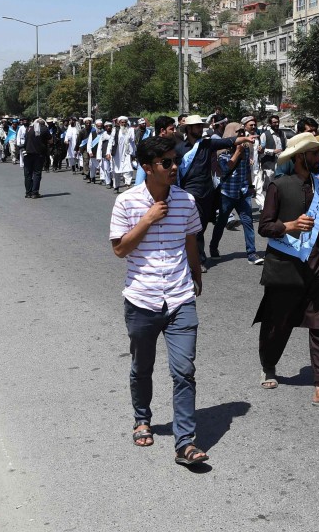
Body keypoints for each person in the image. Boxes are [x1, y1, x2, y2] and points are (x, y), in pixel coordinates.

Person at [110, 136, 208, 467]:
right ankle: (142, 419)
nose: (174, 167)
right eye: (166, 162)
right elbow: (120, 249)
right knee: (142, 367)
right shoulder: (126, 202)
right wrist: (148, 219)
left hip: (180, 297)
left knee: (184, 371)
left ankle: (185, 442)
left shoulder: (186, 200)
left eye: (175, 160)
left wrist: (196, 274)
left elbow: (190, 240)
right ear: (147, 167)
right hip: (142, 299)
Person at [255, 132, 319, 412]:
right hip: (286, 266)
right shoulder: (279, 185)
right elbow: (265, 226)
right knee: (277, 322)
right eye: (315, 153)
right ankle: (268, 364)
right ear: (299, 157)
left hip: (317, 266)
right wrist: (289, 226)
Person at [177, 115, 255, 267]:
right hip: (189, 192)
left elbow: (228, 141)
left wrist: (246, 139)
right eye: (197, 126)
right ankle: (199, 260)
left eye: (201, 126)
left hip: (207, 193)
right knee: (194, 226)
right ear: (189, 129)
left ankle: (196, 254)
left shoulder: (207, 144)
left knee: (202, 225)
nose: (200, 129)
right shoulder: (179, 149)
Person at [210, 123, 263, 265]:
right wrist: (237, 152)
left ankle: (251, 253)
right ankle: (213, 247)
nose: (242, 135)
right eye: (238, 132)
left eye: (242, 132)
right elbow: (225, 169)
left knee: (248, 222)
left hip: (243, 192)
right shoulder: (222, 152)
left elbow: (247, 170)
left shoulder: (245, 149)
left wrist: (251, 186)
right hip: (227, 193)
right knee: (221, 222)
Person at [21, 117, 50, 199]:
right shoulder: (44, 129)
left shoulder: (28, 129)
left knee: (28, 174)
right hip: (39, 154)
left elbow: (25, 140)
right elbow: (50, 140)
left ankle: (28, 192)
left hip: (28, 153)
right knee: (37, 173)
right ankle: (35, 193)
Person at [111, 116, 136, 193]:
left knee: (128, 169)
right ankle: (116, 187)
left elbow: (133, 141)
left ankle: (128, 184)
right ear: (119, 123)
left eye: (125, 122)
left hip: (127, 153)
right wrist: (108, 153)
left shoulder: (130, 130)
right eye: (122, 122)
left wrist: (133, 153)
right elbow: (111, 141)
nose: (124, 124)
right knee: (116, 171)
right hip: (117, 153)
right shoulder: (115, 130)